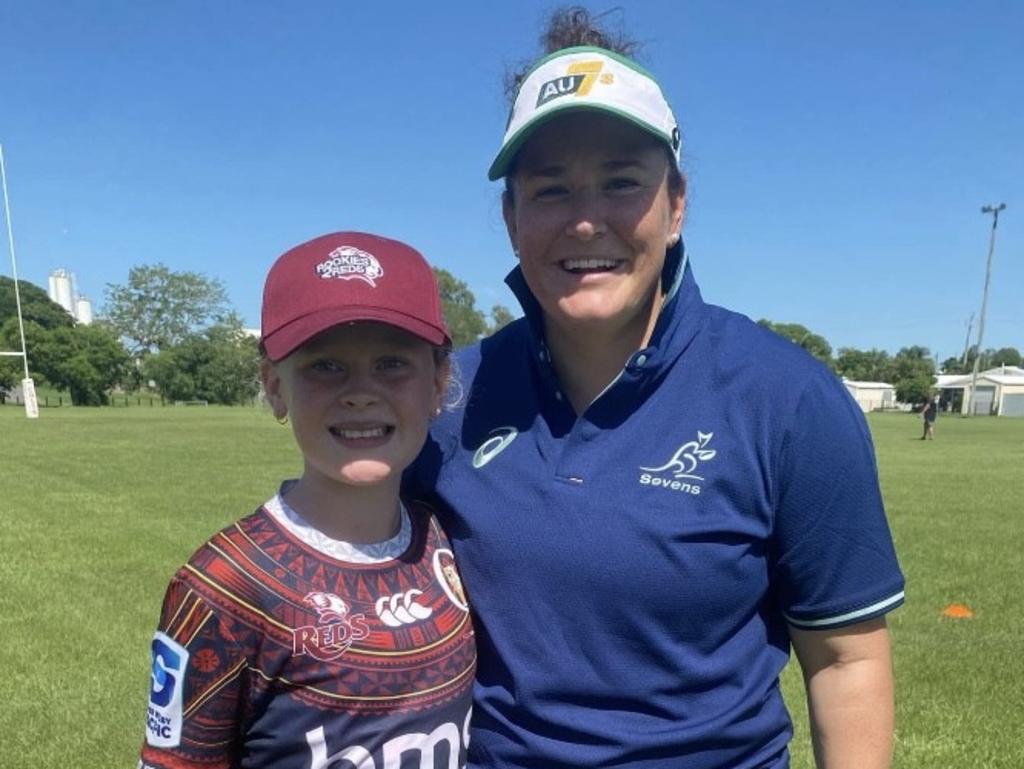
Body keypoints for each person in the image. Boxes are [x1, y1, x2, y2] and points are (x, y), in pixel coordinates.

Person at [407, 8, 904, 769]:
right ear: (510, 218)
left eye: (621, 183)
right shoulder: (448, 398)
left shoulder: (788, 399)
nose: (585, 221)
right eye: (550, 190)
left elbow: (846, 660)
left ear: (676, 205)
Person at [140, 232, 476, 769]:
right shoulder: (224, 587)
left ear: (438, 383)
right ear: (275, 386)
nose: (361, 391)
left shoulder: (440, 538)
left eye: (392, 363)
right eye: (325, 365)